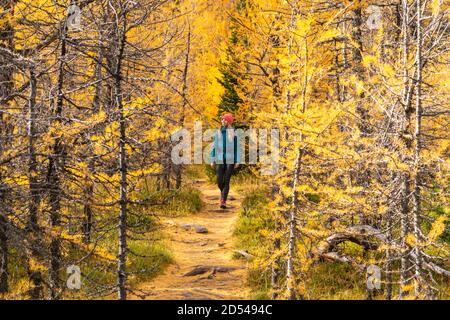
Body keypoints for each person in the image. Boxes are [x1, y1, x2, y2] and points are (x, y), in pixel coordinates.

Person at [210, 113, 240, 209]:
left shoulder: (234, 133)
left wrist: (237, 160)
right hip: (219, 158)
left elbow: (237, 148)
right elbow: (214, 147)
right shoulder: (218, 132)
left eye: (224, 120)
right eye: (222, 120)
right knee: (219, 181)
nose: (222, 121)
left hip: (230, 159)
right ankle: (223, 194)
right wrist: (212, 159)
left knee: (226, 181)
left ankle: (223, 200)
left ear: (229, 122)